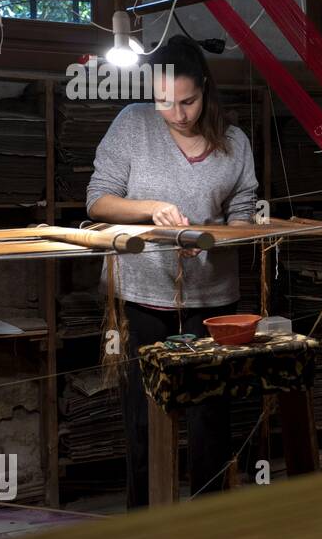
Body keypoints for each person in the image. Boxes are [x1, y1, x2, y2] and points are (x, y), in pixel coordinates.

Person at [86, 35, 259, 508]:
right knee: (144, 414)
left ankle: (206, 519)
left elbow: (243, 211)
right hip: (141, 293)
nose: (178, 113)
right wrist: (152, 209)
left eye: (188, 101)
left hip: (212, 295)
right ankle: (145, 519)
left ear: (205, 89)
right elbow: (98, 201)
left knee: (210, 414)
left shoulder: (235, 142)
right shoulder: (133, 125)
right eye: (166, 102)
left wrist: (225, 236)